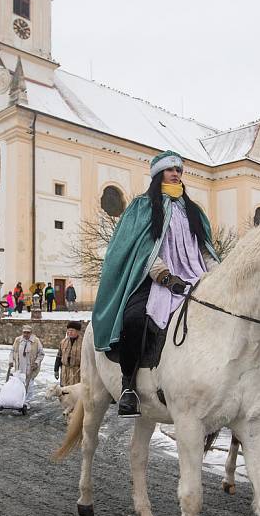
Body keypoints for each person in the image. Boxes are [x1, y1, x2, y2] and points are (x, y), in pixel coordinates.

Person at [93, 150, 219, 417]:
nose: (176, 174)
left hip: (197, 278)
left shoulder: (193, 210)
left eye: (179, 170)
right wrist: (164, 276)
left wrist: (219, 276)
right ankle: (129, 387)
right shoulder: (143, 207)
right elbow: (142, 251)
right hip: (156, 279)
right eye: (170, 170)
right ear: (158, 174)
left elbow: (205, 250)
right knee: (135, 319)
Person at [9, 324, 45, 409]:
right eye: (24, 332)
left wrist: (36, 363)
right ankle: (18, 400)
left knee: (29, 385)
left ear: (31, 333)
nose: (26, 334)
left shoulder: (36, 341)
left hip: (30, 367)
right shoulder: (18, 340)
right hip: (20, 366)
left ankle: (27, 402)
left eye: (28, 333)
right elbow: (12, 351)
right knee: (19, 385)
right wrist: (11, 361)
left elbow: (41, 354)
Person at [54, 321, 83, 386]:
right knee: (64, 392)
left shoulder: (83, 343)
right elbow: (59, 356)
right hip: (64, 371)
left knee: (74, 392)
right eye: (68, 330)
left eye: (72, 330)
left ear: (78, 331)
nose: (69, 332)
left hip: (77, 372)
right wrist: (56, 370)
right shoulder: (63, 342)